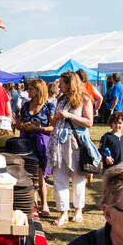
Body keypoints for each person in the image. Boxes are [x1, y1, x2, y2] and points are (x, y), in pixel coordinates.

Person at [47, 72, 94, 223]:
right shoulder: (60, 99)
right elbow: (53, 122)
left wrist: (70, 116)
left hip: (75, 143)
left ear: (70, 84)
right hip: (59, 143)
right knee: (59, 177)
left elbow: (89, 122)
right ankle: (63, 212)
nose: (59, 85)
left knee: (78, 177)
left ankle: (78, 210)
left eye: (62, 83)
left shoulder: (84, 99)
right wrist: (58, 117)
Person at [16, 78, 56, 218]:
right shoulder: (26, 105)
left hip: (40, 143)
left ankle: (44, 203)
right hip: (26, 143)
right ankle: (32, 204)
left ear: (38, 90)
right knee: (27, 174)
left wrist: (39, 128)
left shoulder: (48, 107)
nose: (28, 91)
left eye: (31, 89)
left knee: (39, 175)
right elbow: (18, 123)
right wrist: (23, 126)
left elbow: (53, 127)